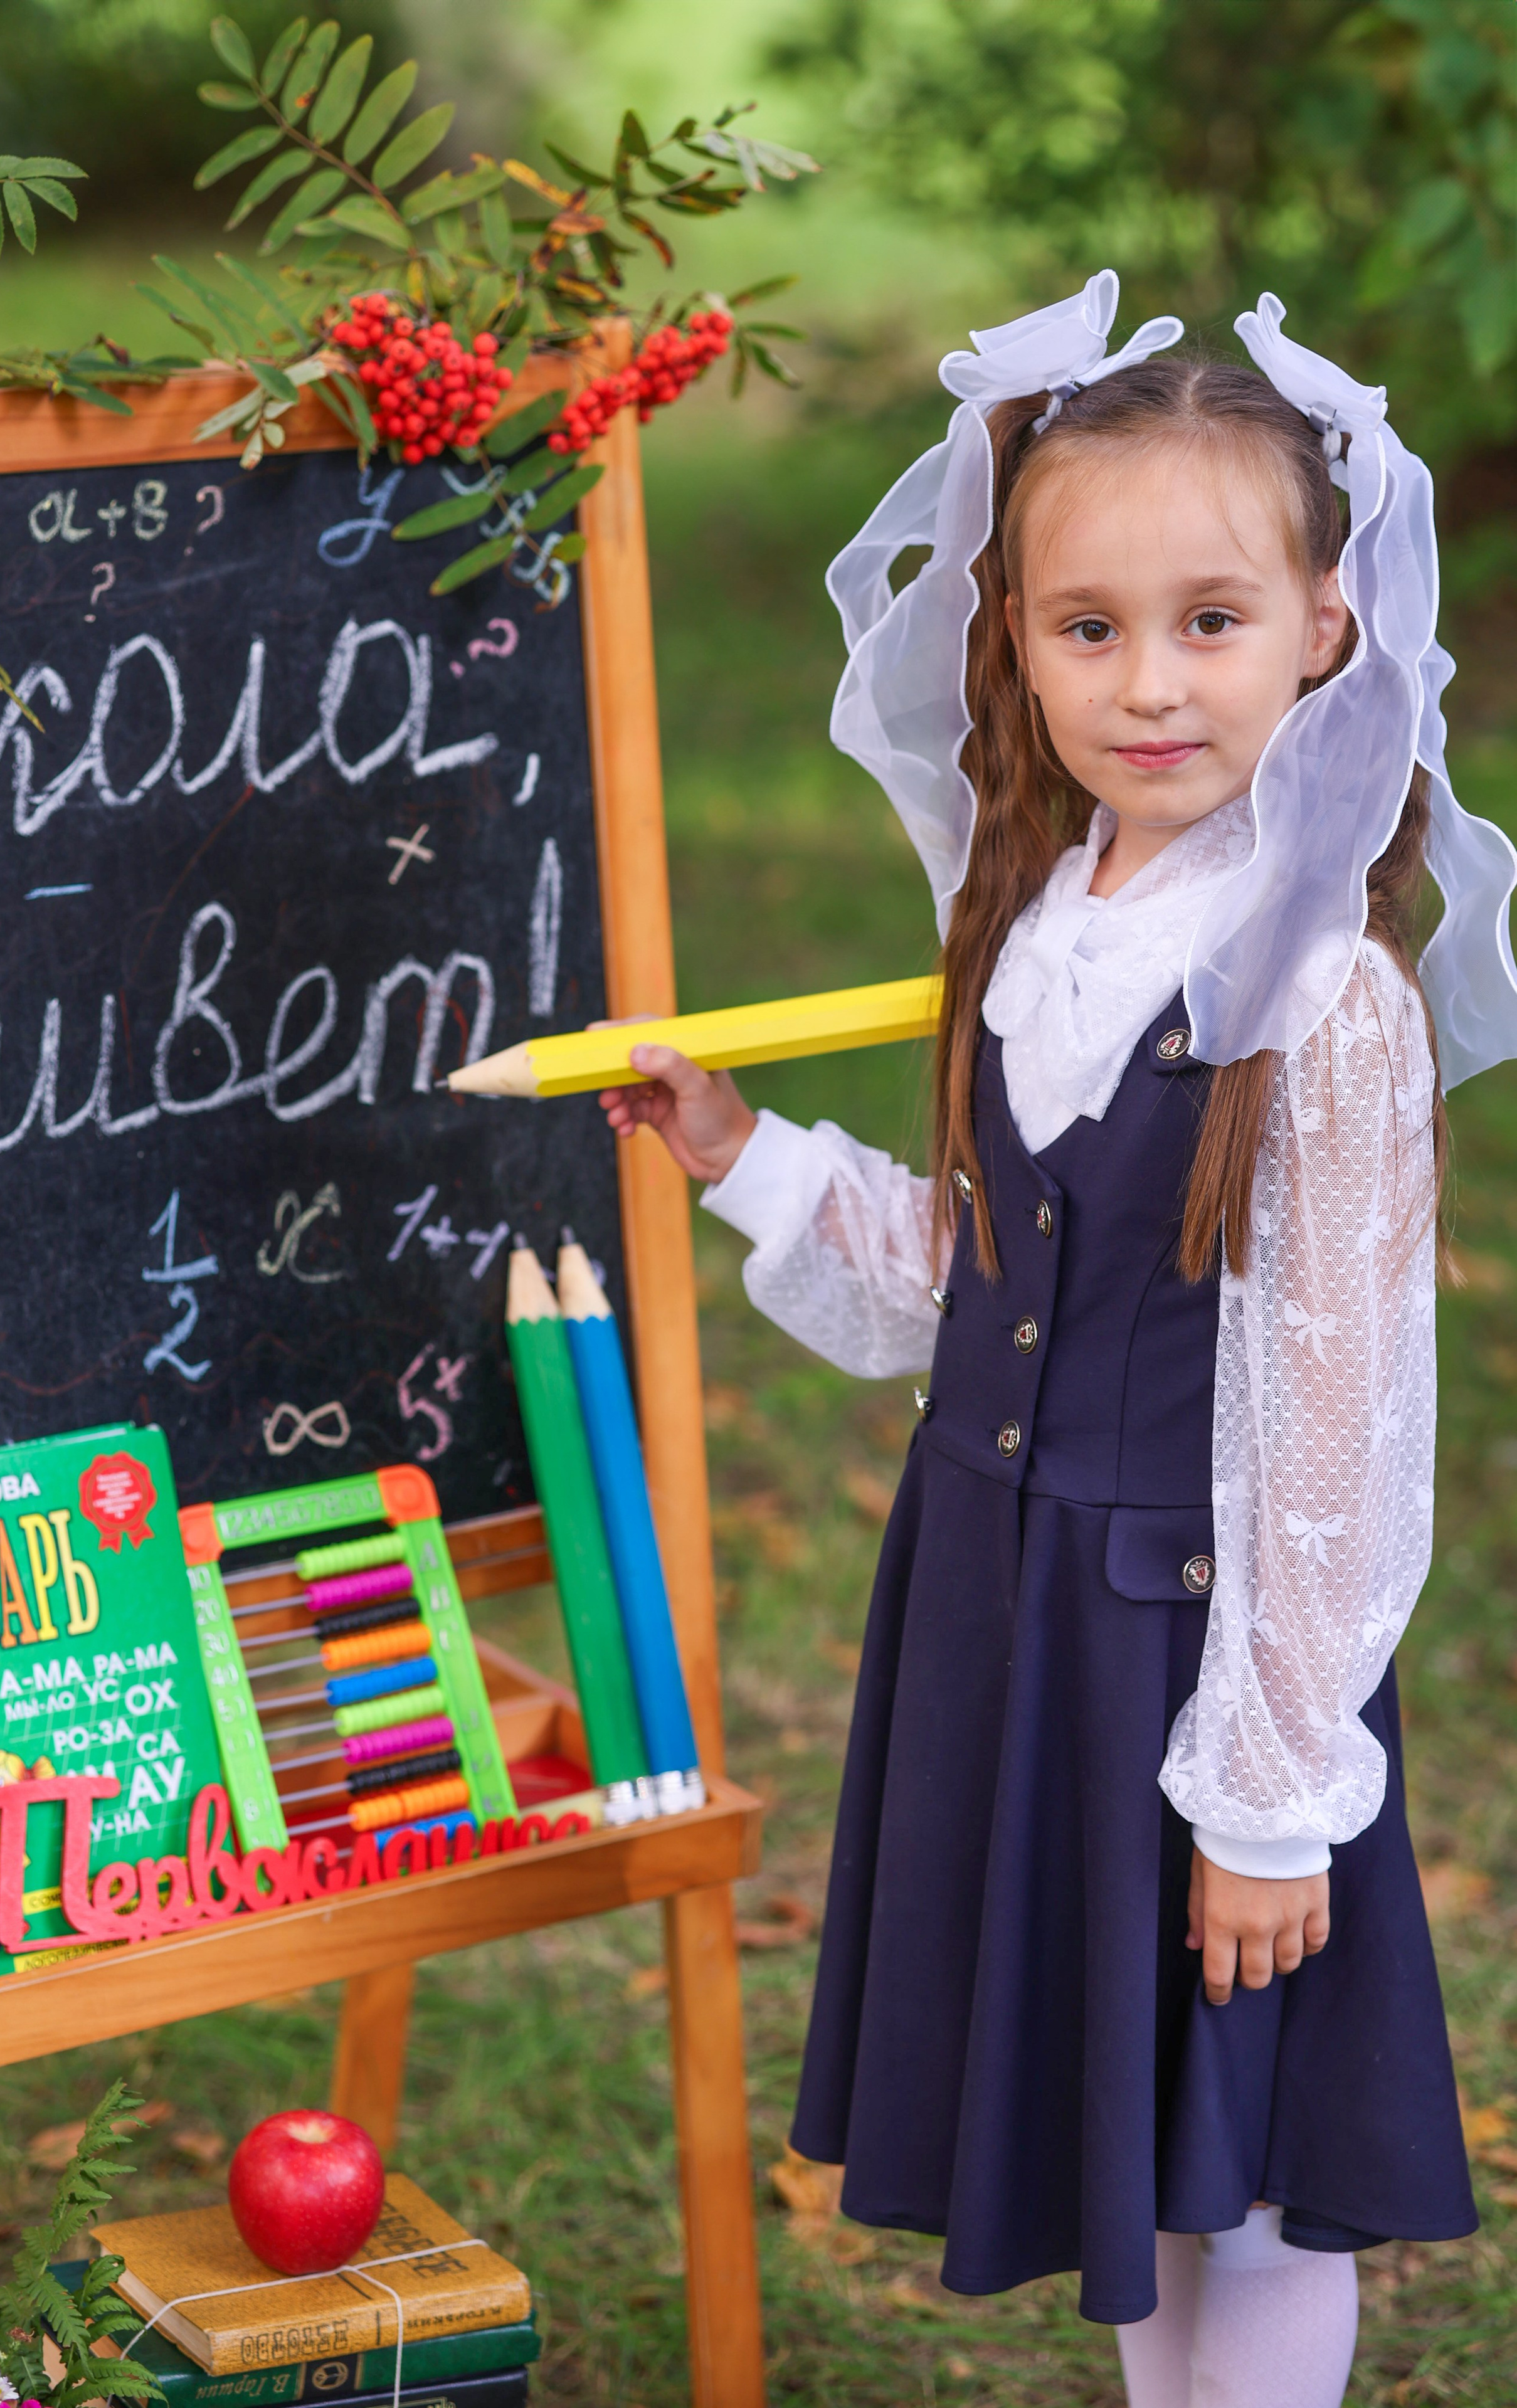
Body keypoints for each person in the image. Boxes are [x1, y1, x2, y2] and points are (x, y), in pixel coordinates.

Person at [598, 276, 1517, 2406]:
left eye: (1212, 619)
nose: (1150, 682)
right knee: (1143, 2150)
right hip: (1011, 1618)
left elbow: (1333, 1425)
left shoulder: (1322, 998)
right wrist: (744, 1156)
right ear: (1009, 637)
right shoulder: (1037, 921)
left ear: (1327, 630)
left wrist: (1274, 1795)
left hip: (1191, 1645)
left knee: (1255, 2157)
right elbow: (983, 1280)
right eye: (1087, 625)